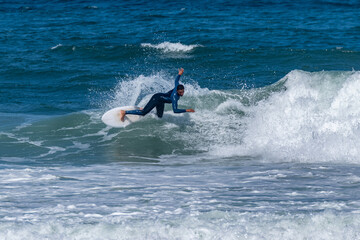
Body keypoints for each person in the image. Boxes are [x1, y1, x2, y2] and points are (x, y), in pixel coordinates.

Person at [119, 68, 195, 122]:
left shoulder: (177, 86)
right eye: (180, 92)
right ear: (177, 91)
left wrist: (179, 74)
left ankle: (146, 108)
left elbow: (176, 80)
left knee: (159, 116)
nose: (182, 93)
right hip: (156, 98)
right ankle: (125, 112)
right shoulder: (174, 97)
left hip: (161, 101)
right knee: (143, 113)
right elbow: (175, 110)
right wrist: (187, 110)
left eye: (183, 92)